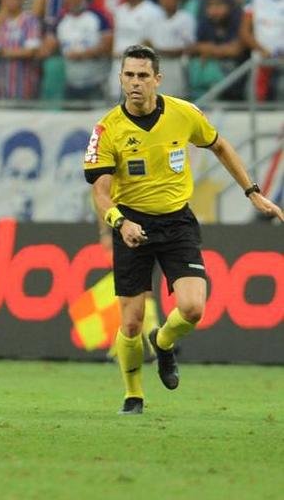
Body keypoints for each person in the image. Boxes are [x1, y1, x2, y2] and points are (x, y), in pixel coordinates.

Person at [84, 44, 284, 415]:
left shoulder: (184, 114)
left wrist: (252, 192)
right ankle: (133, 395)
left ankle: (162, 343)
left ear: (157, 79)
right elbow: (100, 192)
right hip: (131, 222)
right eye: (129, 75)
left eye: (143, 76)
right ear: (121, 78)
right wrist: (119, 223)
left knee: (192, 308)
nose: (135, 83)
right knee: (130, 323)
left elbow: (220, 145)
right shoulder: (107, 129)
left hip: (177, 221)